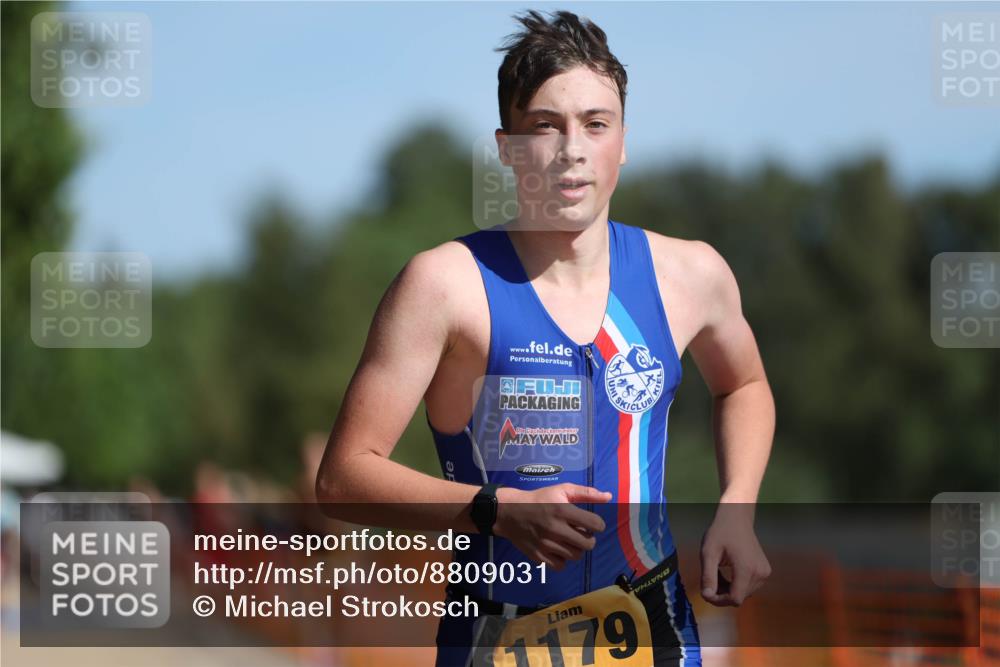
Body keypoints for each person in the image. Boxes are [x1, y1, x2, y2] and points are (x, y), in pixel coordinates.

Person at [317, 9, 774, 666]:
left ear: (623, 138)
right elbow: (341, 478)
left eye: (595, 123)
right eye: (545, 127)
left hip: (655, 622)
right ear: (506, 148)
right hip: (496, 634)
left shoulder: (690, 274)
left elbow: (744, 383)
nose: (572, 149)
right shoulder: (444, 285)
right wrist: (494, 509)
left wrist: (737, 505)